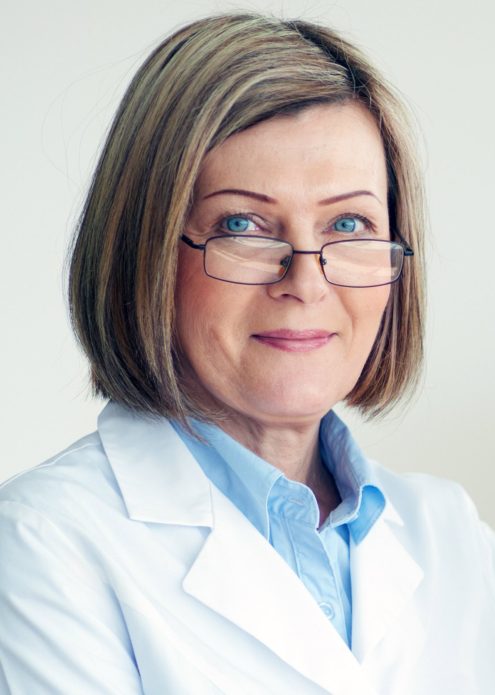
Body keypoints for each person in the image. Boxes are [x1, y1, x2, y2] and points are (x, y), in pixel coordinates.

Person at [0, 12, 493, 695]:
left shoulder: (451, 535)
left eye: (348, 223)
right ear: (147, 252)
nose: (306, 282)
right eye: (243, 225)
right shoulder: (44, 539)